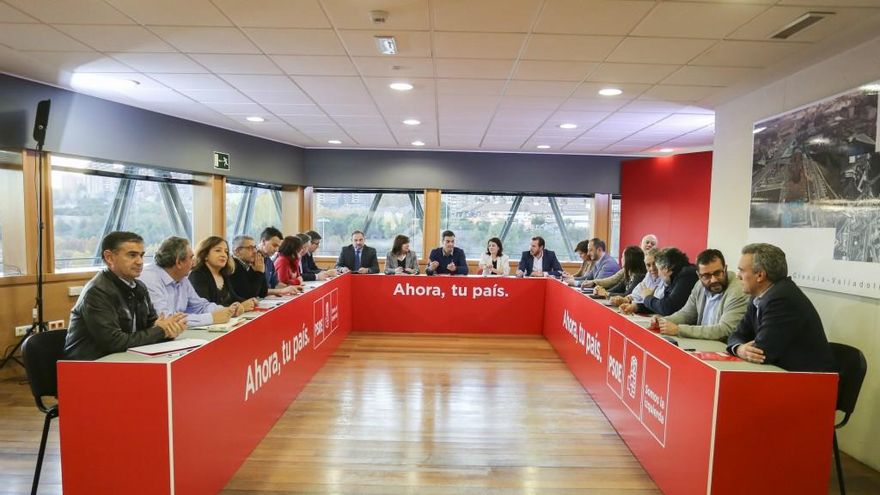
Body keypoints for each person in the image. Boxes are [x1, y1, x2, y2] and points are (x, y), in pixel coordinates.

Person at [64, 231, 186, 360]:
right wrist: (161, 331)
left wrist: (170, 329)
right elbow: (114, 342)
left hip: (126, 358)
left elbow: (152, 325)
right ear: (109, 257)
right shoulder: (97, 292)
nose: (140, 262)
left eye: (141, 255)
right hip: (89, 367)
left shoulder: (139, 287)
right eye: (132, 255)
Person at [726, 243, 835, 372]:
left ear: (760, 275)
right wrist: (739, 348)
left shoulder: (782, 299)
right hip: (782, 374)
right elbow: (737, 334)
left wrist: (742, 349)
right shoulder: (758, 296)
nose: (738, 275)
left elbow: (761, 352)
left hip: (806, 382)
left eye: (742, 270)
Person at [139, 236, 237, 328]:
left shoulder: (182, 278)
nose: (194, 262)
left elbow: (200, 306)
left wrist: (228, 311)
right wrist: (211, 318)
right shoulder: (150, 278)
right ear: (179, 262)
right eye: (191, 258)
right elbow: (165, 320)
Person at [655, 249, 748, 341]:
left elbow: (724, 330)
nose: (713, 280)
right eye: (706, 276)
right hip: (702, 342)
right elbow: (686, 314)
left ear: (725, 269)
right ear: (699, 276)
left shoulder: (738, 290)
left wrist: (679, 330)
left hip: (723, 347)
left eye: (718, 273)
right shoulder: (699, 285)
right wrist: (663, 321)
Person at [188, 236, 257, 311]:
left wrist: (248, 302)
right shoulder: (197, 275)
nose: (224, 255)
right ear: (205, 255)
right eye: (218, 250)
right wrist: (239, 307)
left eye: (226, 252)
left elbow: (233, 297)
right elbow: (205, 307)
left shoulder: (223, 274)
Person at [229, 235, 298, 299]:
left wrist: (261, 271)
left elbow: (262, 292)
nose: (255, 251)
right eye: (250, 248)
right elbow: (250, 295)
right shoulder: (233, 267)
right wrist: (259, 272)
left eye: (254, 247)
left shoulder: (249, 264)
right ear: (237, 251)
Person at [637, 247, 698, 316]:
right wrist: (637, 307)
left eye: (658, 269)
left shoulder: (687, 276)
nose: (659, 274)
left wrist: (647, 297)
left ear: (666, 269)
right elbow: (662, 303)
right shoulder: (676, 276)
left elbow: (667, 308)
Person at [617, 248, 664, 314]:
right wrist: (627, 299)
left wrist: (647, 297)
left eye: (654, 264)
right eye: (648, 265)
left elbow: (658, 303)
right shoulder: (649, 275)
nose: (652, 268)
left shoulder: (665, 277)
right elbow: (637, 292)